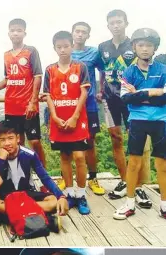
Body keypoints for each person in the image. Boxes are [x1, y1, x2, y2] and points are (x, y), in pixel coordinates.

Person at [99, 10, 151, 205]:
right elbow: (101, 70)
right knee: (116, 138)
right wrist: (100, 88)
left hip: (130, 99)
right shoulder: (103, 47)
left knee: (135, 141)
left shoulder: (134, 45)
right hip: (109, 98)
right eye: (112, 23)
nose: (116, 25)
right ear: (108, 26)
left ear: (126, 23)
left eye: (119, 22)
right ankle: (123, 180)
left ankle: (137, 186)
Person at [114, 29, 166, 220]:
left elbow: (165, 98)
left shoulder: (163, 69)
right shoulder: (128, 71)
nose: (145, 49)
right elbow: (126, 98)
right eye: (141, 45)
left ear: (155, 48)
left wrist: (140, 94)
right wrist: (154, 92)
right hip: (137, 121)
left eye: (149, 45)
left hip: (161, 121)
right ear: (134, 47)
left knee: (162, 164)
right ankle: (129, 204)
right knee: (134, 163)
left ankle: (164, 206)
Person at [0, 18, 46, 166]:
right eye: (13, 30)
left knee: (35, 142)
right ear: (8, 33)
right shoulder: (6, 55)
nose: (16, 33)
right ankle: (21, 173)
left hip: (28, 106)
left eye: (19, 30)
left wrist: (33, 101)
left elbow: (37, 76)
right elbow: (7, 79)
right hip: (11, 106)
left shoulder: (31, 51)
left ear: (24, 33)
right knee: (18, 142)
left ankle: (43, 174)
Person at [43, 31, 91, 215]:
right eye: (59, 47)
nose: (63, 50)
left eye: (66, 46)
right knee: (64, 156)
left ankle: (81, 194)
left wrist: (75, 117)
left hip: (77, 120)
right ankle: (69, 193)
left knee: (79, 156)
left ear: (71, 46)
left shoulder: (80, 67)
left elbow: (84, 93)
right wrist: (54, 117)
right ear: (55, 48)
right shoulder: (50, 70)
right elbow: (48, 96)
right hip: (58, 120)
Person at [0, 121, 68, 224]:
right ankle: (38, 216)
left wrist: (61, 196)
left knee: (53, 201)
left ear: (17, 138)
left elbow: (44, 177)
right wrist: (1, 160)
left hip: (26, 193)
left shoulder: (29, 155)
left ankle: (4, 217)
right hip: (6, 196)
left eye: (10, 138)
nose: (7, 143)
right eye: (2, 140)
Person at [71, 22, 105, 195]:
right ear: (72, 33)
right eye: (77, 31)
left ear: (88, 35)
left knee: (90, 142)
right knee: (67, 142)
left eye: (83, 32)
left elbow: (103, 70)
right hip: (69, 104)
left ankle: (93, 177)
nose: (80, 34)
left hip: (90, 103)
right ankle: (66, 176)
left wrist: (102, 89)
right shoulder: (66, 51)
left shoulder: (94, 53)